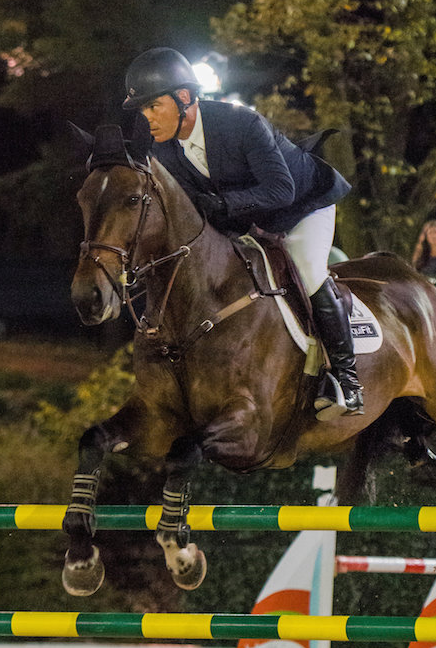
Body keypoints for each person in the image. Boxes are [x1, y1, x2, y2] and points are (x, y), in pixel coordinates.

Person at [122, 47, 360, 418]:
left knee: (307, 271)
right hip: (251, 220)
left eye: (153, 107)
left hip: (302, 206)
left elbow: (282, 191)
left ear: (183, 98)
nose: (147, 118)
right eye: (143, 110)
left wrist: (225, 205)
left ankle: (347, 381)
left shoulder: (240, 123)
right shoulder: (161, 151)